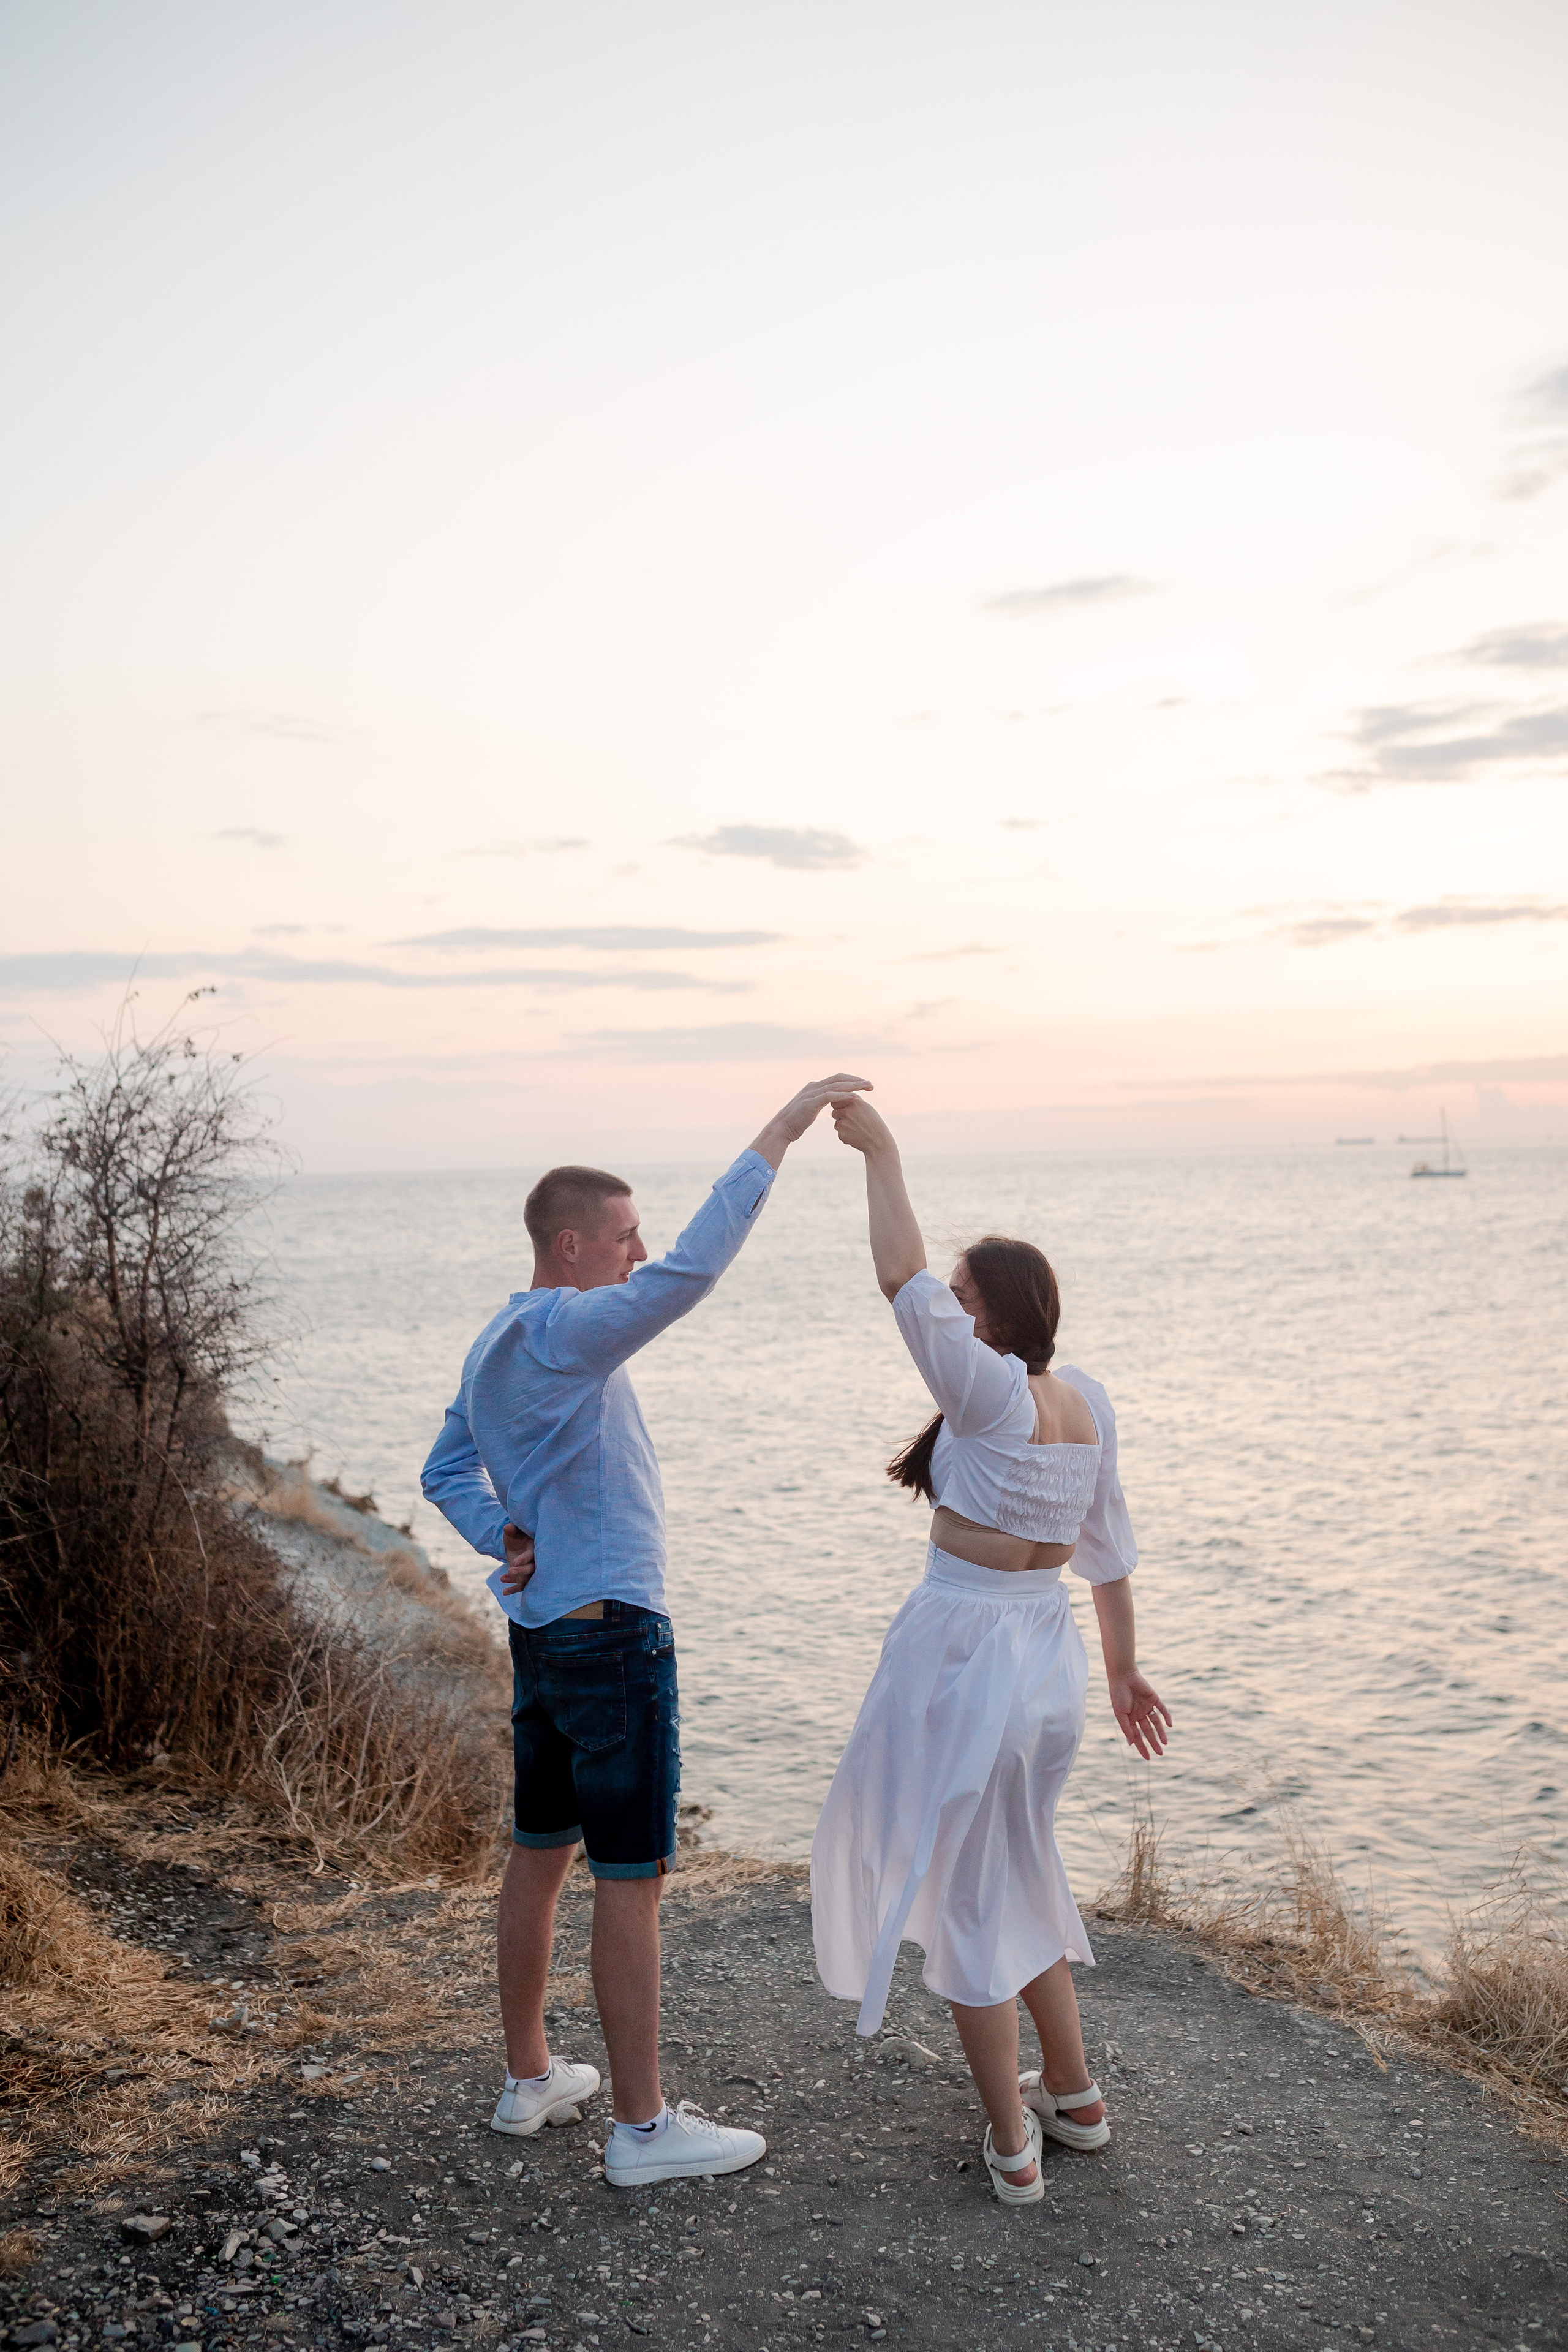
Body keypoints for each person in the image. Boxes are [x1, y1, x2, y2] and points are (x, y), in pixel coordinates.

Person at [421, 1072, 870, 2191]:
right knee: (631, 1878)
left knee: (539, 1855)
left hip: (542, 1636)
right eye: (624, 1235)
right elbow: (692, 1272)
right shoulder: (571, 1327)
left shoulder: (498, 1340)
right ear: (571, 1244)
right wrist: (780, 1130)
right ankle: (640, 2129)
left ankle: (530, 2080)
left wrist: (503, 1534)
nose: (640, 1250)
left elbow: (441, 1470)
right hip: (613, 1637)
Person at [810, 1096, 1171, 2205]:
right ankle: (1077, 2097)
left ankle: (1013, 2145)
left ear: (1001, 1323)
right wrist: (1121, 1671)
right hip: (1049, 1669)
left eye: (968, 1303)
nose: (951, 1315)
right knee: (1018, 1870)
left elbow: (897, 1277)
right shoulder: (1088, 1402)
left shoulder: (987, 1389)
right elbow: (1106, 1555)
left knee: (967, 1897)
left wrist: (882, 1154)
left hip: (967, 1663)